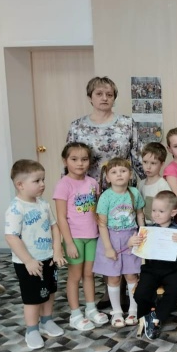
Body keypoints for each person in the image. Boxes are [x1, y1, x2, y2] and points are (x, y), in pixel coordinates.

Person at [5, 160, 67, 349]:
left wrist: (57, 250)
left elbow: (54, 227)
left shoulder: (43, 204)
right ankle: (32, 329)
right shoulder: (16, 208)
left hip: (48, 258)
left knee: (49, 291)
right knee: (32, 298)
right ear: (20, 185)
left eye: (43, 180)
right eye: (37, 181)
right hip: (28, 263)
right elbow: (11, 237)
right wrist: (28, 261)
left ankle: (46, 320)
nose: (42, 184)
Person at [53, 142, 107, 331]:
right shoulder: (63, 184)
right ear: (65, 161)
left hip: (92, 236)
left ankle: (91, 308)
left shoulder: (92, 183)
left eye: (84, 159)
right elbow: (60, 217)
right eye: (74, 159)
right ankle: (75, 314)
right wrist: (68, 243)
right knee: (75, 276)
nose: (80, 163)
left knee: (89, 274)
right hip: (74, 238)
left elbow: (97, 210)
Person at [133, 191, 177, 339]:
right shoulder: (148, 230)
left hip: (173, 269)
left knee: (175, 292)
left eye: (161, 211)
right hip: (151, 267)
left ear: (173, 212)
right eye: (154, 210)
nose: (156, 214)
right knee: (140, 293)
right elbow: (137, 250)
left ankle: (156, 317)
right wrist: (132, 243)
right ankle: (150, 313)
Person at [94, 158, 145, 328]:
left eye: (123, 171)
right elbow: (102, 224)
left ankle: (133, 310)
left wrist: (142, 233)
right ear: (108, 177)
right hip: (111, 239)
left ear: (130, 174)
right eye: (114, 172)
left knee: (131, 276)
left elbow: (139, 214)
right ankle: (116, 311)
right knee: (114, 277)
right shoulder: (105, 197)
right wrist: (108, 248)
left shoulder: (134, 193)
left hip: (131, 237)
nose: (119, 175)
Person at [66, 76, 144, 186]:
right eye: (99, 94)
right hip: (88, 188)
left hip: (122, 188)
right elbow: (69, 160)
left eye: (109, 95)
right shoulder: (77, 126)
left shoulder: (127, 123)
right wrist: (66, 187)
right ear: (90, 97)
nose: (104, 98)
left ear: (114, 98)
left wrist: (151, 184)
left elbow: (139, 157)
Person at [138, 142, 171, 226]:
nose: (148, 167)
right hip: (144, 225)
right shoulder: (141, 184)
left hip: (159, 225)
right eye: (145, 162)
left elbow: (168, 207)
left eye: (153, 163)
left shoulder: (162, 184)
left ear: (161, 164)